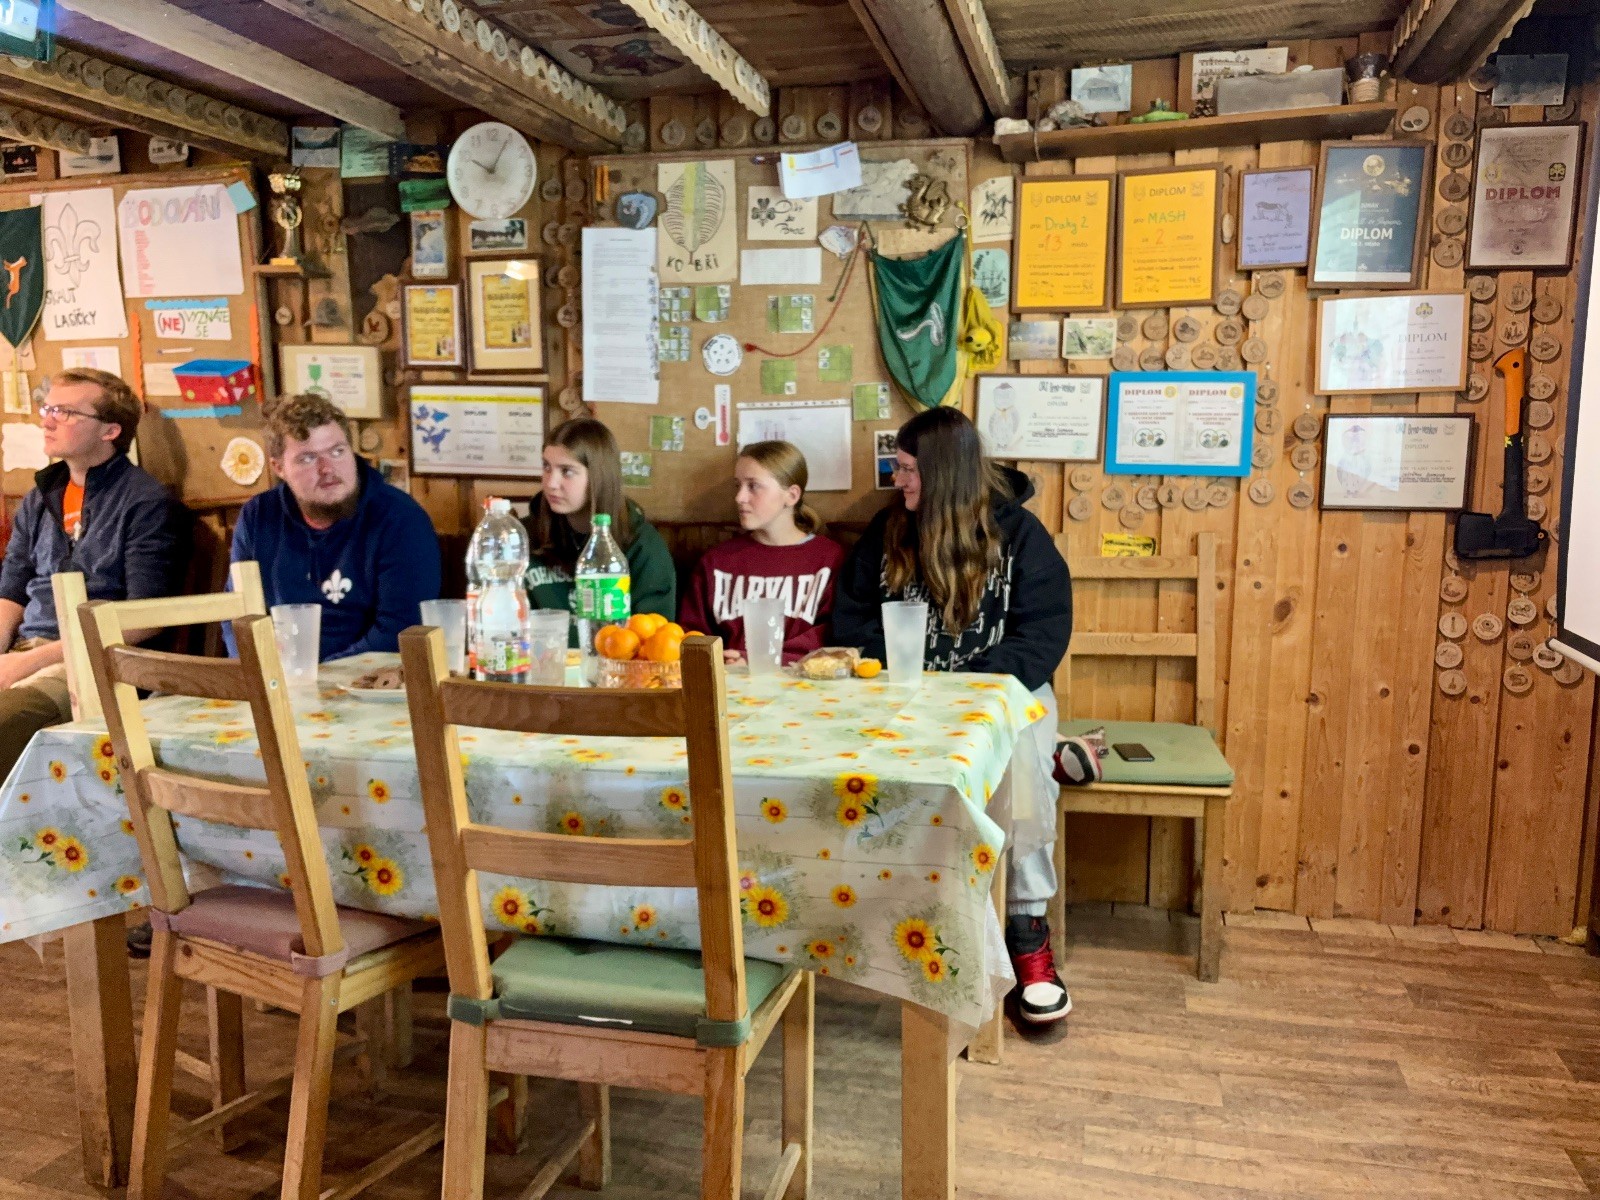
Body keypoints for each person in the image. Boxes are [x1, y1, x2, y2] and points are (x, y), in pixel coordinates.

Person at [833, 405, 1082, 1025]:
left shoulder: (1020, 535)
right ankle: (898, 923)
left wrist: (970, 686)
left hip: (1001, 694)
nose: (897, 480)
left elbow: (1043, 634)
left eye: (908, 469)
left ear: (943, 473)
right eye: (897, 467)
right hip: (904, 695)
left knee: (1024, 773)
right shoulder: (887, 531)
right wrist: (902, 673)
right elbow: (852, 620)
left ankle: (1026, 929)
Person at [0, 368, 186, 779]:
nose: (48, 420)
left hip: (94, 663)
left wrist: (26, 664)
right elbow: (12, 587)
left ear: (110, 431)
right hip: (24, 651)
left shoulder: (145, 502)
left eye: (65, 412)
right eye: (48, 408)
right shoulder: (40, 496)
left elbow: (144, 619)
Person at [229, 393, 440, 659]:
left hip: (367, 675)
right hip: (278, 672)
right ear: (279, 467)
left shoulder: (400, 518)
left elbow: (398, 631)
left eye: (337, 452)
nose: (327, 468)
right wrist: (254, 669)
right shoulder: (258, 515)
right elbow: (237, 614)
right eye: (307, 458)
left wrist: (315, 674)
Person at [679, 441, 845, 664]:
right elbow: (690, 634)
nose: (739, 497)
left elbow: (834, 637)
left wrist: (758, 661)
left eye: (753, 486)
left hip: (804, 679)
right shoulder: (717, 562)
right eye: (737, 485)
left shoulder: (828, 558)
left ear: (791, 495)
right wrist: (717, 660)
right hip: (729, 680)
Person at [522, 417, 675, 634]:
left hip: (612, 655)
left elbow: (654, 637)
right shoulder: (523, 536)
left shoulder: (643, 545)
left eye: (567, 471)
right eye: (547, 467)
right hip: (543, 654)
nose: (551, 483)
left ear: (598, 477)